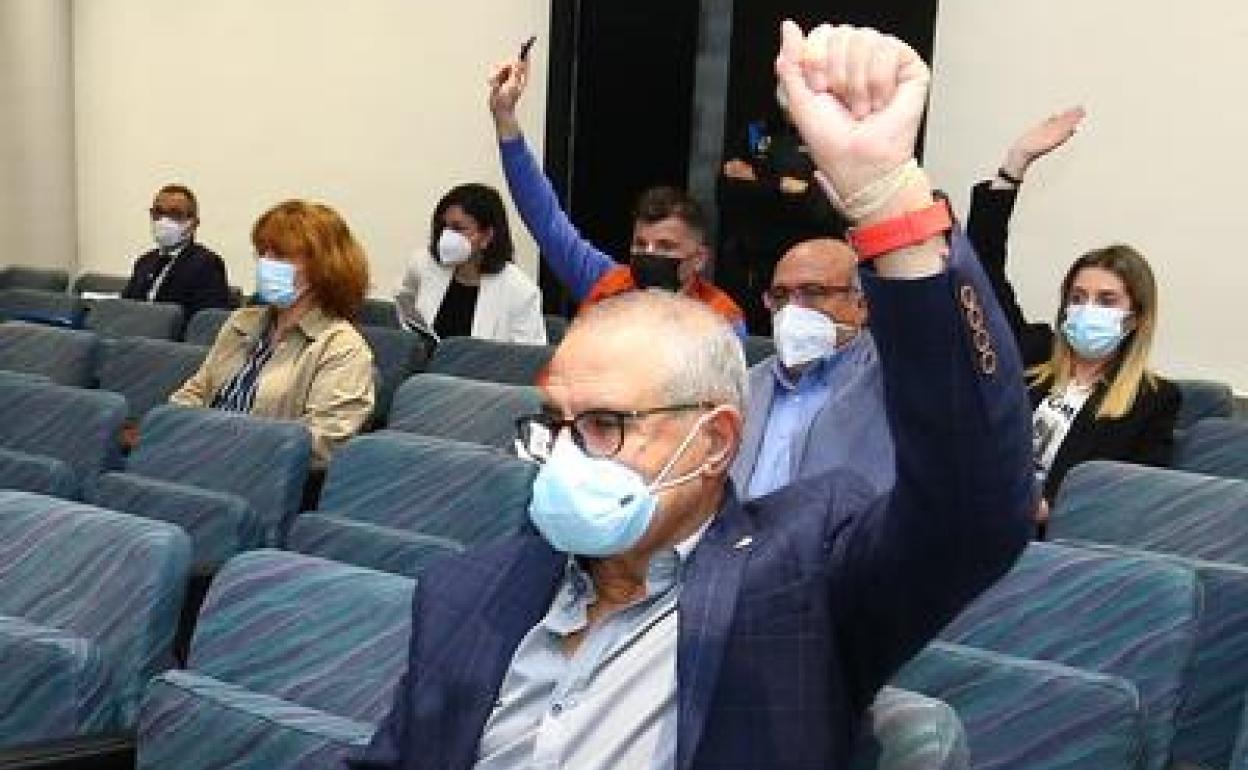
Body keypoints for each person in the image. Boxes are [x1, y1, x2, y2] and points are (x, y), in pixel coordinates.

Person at [348, 23, 1034, 770]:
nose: (567, 458)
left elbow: (975, 506)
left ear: (711, 441)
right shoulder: (468, 592)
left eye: (605, 424)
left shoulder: (800, 582)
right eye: (557, 426)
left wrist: (888, 202)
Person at [967, 107, 1180, 521]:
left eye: (1107, 300)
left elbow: (1129, 503)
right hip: (978, 522)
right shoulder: (1034, 355)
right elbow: (982, 274)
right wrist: (1014, 167)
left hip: (1050, 543)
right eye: (1077, 296)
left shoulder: (1153, 400)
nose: (1087, 309)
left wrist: (1052, 509)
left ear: (1135, 317)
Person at [487, 57, 748, 337]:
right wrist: (505, 118)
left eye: (665, 246)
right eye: (640, 243)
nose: (649, 254)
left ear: (699, 259)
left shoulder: (720, 318)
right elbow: (545, 218)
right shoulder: (606, 280)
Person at [170, 200, 375, 468]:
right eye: (263, 252)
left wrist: (224, 446)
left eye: (280, 254)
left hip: (261, 477)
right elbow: (196, 391)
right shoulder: (242, 322)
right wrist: (177, 431)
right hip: (197, 456)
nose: (265, 263)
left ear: (323, 266)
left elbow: (325, 442)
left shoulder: (342, 347)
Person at [731, 237, 892, 499]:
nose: (793, 309)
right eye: (780, 296)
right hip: (741, 536)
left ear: (861, 305)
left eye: (813, 292)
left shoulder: (890, 382)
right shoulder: (742, 387)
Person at [718, 85, 851, 334]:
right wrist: (782, 185)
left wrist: (759, 180)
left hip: (819, 270)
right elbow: (729, 190)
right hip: (757, 266)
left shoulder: (839, 138)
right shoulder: (758, 132)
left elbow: (821, 207)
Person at [395, 183, 546, 344]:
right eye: (443, 227)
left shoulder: (520, 290)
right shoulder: (422, 264)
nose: (447, 236)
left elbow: (530, 358)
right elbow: (404, 311)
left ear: (487, 236)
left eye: (458, 228)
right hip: (425, 367)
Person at [121, 183, 232, 319]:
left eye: (175, 214)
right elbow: (125, 308)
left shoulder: (207, 264)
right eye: (158, 212)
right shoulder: (144, 262)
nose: (164, 220)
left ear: (193, 223)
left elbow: (204, 323)